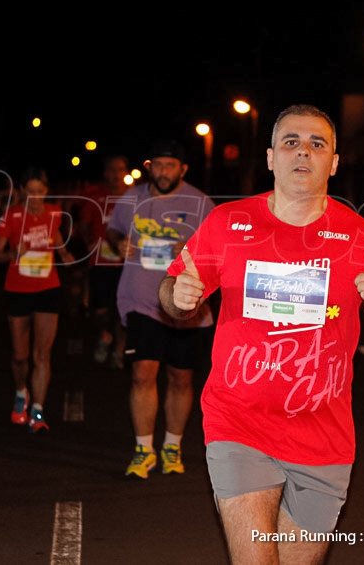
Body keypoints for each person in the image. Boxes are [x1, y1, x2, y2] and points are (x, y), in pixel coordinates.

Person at [161, 104, 364, 564]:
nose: (303, 152)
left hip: (323, 436)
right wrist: (177, 296)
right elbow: (172, 289)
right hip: (238, 423)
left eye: (317, 144)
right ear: (270, 158)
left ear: (334, 162)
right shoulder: (227, 225)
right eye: (291, 142)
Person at [107, 139, 216, 479]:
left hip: (186, 307)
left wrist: (195, 251)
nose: (164, 171)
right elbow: (112, 231)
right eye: (158, 164)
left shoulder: (201, 204)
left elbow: (219, 255)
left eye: (171, 166)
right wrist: (117, 243)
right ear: (149, 166)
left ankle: (172, 446)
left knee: (181, 379)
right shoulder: (131, 198)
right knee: (142, 374)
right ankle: (144, 450)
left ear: (182, 170)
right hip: (141, 301)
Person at [0, 168, 74, 433]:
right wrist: (14, 252)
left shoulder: (54, 213)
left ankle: (37, 409)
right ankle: (20, 391)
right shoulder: (12, 216)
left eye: (41, 191)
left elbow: (56, 235)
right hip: (18, 289)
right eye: (31, 191)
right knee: (20, 356)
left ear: (46, 191)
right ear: (23, 191)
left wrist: (63, 253)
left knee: (42, 354)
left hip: (48, 288)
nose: (36, 197)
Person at [82, 155, 129, 368]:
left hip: (127, 265)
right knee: (101, 310)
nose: (116, 174)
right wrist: (89, 241)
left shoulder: (134, 196)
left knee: (122, 310)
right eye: (112, 169)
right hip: (100, 263)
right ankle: (105, 334)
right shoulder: (95, 196)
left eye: (120, 170)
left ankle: (118, 350)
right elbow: (83, 224)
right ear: (105, 173)